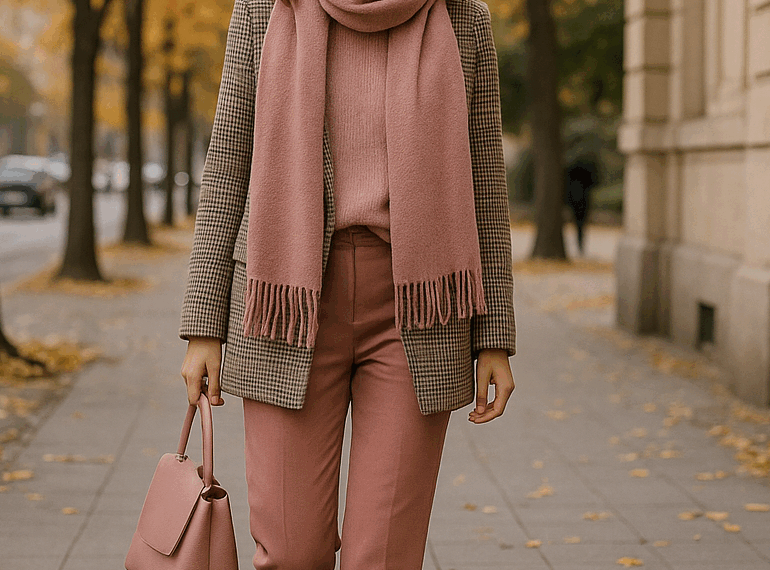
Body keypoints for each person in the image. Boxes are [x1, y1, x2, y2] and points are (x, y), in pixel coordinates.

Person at [178, 0, 517, 568]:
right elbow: (228, 166)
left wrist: (493, 336)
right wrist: (204, 325)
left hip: (420, 306)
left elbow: (484, 177)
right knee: (291, 550)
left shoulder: (461, 17)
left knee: (383, 555)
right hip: (285, 305)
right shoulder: (265, 10)